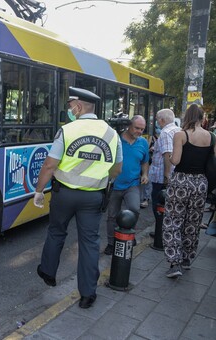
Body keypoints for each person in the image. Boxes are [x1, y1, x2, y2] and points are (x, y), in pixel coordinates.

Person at [33, 87, 122, 309]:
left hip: (64, 194)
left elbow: (50, 164)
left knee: (56, 231)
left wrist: (38, 190)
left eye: (71, 106)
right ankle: (87, 294)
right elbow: (117, 169)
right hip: (93, 197)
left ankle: (48, 272)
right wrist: (101, 178)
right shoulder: (112, 134)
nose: (70, 110)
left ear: (79, 106)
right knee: (90, 243)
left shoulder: (67, 130)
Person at [162, 104, 216, 278]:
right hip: (201, 183)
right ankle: (186, 259)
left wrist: (169, 156)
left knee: (173, 221)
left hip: (181, 182)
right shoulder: (212, 137)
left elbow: (176, 160)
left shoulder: (181, 135)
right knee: (192, 222)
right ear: (202, 118)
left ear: (187, 118)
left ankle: (174, 262)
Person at [104, 115, 149, 255]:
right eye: (137, 128)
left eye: (142, 129)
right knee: (112, 215)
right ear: (129, 125)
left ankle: (129, 234)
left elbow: (145, 161)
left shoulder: (143, 143)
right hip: (114, 185)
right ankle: (111, 243)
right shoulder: (115, 140)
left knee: (134, 209)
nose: (139, 132)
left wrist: (145, 174)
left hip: (133, 184)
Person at [148, 108, 180, 233]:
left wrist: (166, 176)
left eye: (157, 119)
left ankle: (160, 232)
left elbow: (168, 154)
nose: (156, 122)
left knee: (158, 204)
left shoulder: (166, 132)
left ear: (162, 120)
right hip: (173, 175)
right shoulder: (178, 130)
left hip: (161, 177)